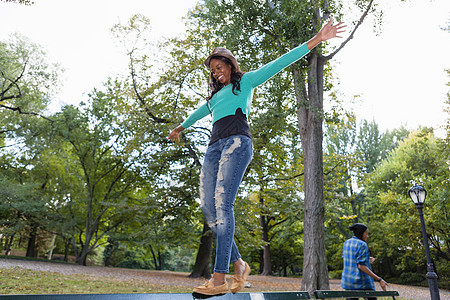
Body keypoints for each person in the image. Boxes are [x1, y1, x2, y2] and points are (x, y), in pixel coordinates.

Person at [168, 19, 346, 296]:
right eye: (212, 71)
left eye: (219, 67)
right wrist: (182, 126)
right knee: (210, 209)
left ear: (229, 65)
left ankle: (219, 279)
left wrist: (317, 39)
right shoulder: (214, 97)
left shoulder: (245, 82)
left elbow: (279, 63)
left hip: (237, 143)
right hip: (214, 146)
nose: (216, 73)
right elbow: (201, 112)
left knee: (223, 205)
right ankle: (239, 264)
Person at [341, 223, 388, 300]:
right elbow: (361, 266)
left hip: (348, 282)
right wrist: (379, 279)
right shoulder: (362, 244)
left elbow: (351, 259)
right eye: (366, 234)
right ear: (361, 233)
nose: (367, 236)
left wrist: (367, 259)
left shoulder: (347, 243)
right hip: (361, 282)